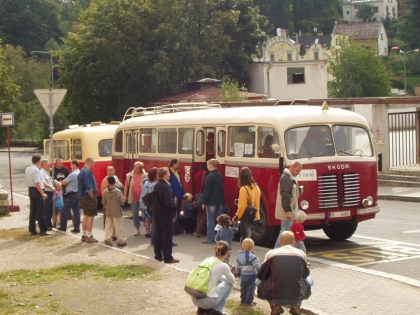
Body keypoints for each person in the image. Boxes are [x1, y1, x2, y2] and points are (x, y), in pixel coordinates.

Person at [258, 231, 312, 315]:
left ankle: (275, 305)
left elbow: (261, 275)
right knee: (309, 280)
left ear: (280, 243)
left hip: (275, 294)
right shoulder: (301, 254)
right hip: (296, 294)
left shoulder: (271, 254)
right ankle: (296, 305)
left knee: (257, 281)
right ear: (293, 243)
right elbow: (305, 274)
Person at [192, 241, 235, 315]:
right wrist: (222, 276)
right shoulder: (223, 265)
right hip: (207, 302)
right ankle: (217, 310)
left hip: (194, 298)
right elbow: (232, 281)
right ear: (227, 253)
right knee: (229, 284)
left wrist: (219, 276)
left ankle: (202, 310)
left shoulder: (207, 260)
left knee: (215, 280)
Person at [274, 161, 303, 249]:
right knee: (285, 233)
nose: (298, 173)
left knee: (285, 232)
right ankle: (275, 252)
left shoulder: (288, 177)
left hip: (288, 210)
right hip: (287, 212)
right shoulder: (287, 179)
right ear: (292, 167)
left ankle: (277, 252)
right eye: (297, 171)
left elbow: (288, 194)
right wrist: (288, 211)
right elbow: (286, 195)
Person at [153, 167, 179, 264]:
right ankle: (168, 257)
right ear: (164, 175)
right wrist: (175, 204)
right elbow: (169, 202)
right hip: (166, 214)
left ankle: (158, 255)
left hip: (157, 213)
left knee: (158, 234)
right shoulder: (167, 187)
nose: (169, 175)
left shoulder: (157, 185)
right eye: (168, 173)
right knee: (167, 236)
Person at [232, 167, 261, 242]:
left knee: (246, 241)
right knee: (246, 238)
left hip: (246, 219)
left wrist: (236, 217)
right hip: (255, 217)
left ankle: (247, 253)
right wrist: (240, 201)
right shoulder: (256, 187)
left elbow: (242, 207)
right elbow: (255, 199)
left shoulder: (243, 189)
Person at [25, 153, 49, 236]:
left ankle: (32, 229)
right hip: (37, 190)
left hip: (30, 189)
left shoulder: (28, 169)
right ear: (38, 161)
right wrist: (42, 193)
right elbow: (37, 183)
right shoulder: (36, 170)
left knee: (33, 210)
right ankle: (43, 230)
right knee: (41, 211)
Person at [201, 159, 224, 245]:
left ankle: (210, 239)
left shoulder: (209, 177)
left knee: (210, 220)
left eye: (207, 165)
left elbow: (207, 191)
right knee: (221, 220)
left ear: (211, 165)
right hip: (220, 200)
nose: (207, 167)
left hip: (211, 202)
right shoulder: (219, 175)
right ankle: (220, 236)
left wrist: (204, 202)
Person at [124, 161, 148, 236]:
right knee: (135, 214)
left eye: (137, 168)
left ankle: (147, 229)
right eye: (134, 167)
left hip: (143, 198)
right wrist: (125, 196)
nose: (135, 169)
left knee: (145, 214)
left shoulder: (145, 175)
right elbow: (126, 186)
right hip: (134, 197)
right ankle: (137, 229)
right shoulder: (129, 176)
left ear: (141, 169)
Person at [78, 157, 99, 243]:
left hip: (82, 197)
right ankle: (89, 235)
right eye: (93, 163)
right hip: (88, 197)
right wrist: (92, 196)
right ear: (90, 163)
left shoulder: (82, 171)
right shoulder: (87, 173)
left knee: (86, 215)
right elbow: (89, 186)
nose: (94, 165)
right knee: (91, 215)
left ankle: (84, 234)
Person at [235, 238, 261, 306]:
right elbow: (257, 266)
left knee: (243, 288)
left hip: (243, 276)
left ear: (242, 248)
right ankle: (249, 301)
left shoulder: (238, 258)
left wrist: (238, 273)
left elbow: (237, 267)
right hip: (251, 276)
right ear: (253, 249)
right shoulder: (253, 257)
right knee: (250, 289)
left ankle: (243, 300)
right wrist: (260, 273)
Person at [102, 176, 126, 247]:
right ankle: (120, 241)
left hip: (109, 211)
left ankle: (107, 239)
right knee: (118, 226)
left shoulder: (105, 191)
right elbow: (122, 202)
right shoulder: (118, 192)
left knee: (108, 225)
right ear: (115, 182)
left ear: (108, 183)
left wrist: (106, 206)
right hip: (117, 211)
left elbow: (103, 202)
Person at [101, 165, 123, 239]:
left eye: (111, 170)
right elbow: (103, 193)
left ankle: (115, 234)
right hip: (109, 204)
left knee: (116, 220)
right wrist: (105, 204)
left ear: (114, 171)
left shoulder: (116, 178)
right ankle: (112, 235)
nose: (110, 171)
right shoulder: (105, 180)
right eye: (108, 170)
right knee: (110, 221)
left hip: (116, 203)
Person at [58, 160, 81, 233]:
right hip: (78, 194)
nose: (70, 166)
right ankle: (77, 227)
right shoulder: (80, 173)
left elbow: (64, 182)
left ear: (74, 165)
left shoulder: (73, 174)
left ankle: (63, 227)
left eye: (71, 165)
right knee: (76, 211)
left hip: (72, 194)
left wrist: (60, 182)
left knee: (64, 210)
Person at [140, 167, 159, 242]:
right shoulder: (155, 184)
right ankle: (153, 236)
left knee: (147, 218)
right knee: (153, 220)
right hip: (151, 204)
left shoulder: (146, 183)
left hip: (144, 203)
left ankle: (148, 232)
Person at [168, 158, 185, 235]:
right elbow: (170, 186)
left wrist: (182, 194)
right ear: (173, 164)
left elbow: (180, 184)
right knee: (174, 213)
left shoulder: (177, 172)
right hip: (175, 196)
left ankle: (176, 227)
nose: (179, 165)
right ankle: (173, 229)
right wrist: (174, 195)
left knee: (177, 212)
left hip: (179, 195)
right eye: (178, 164)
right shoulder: (169, 173)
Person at [40, 159, 56, 230]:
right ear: (43, 165)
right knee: (46, 209)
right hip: (46, 192)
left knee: (50, 210)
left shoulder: (46, 172)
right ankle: (46, 225)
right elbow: (43, 183)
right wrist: (51, 187)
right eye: (48, 165)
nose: (49, 166)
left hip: (50, 193)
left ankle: (49, 224)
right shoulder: (42, 173)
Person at [194, 164, 208, 238]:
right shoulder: (205, 174)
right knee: (205, 214)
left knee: (199, 213)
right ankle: (199, 231)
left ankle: (197, 229)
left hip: (197, 195)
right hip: (202, 195)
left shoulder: (196, 174)